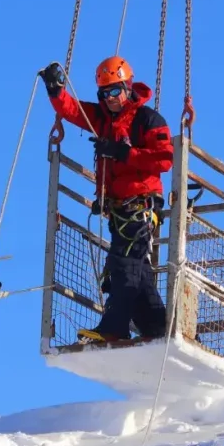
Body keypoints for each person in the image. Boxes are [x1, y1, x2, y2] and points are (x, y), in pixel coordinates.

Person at [39, 56, 173, 343]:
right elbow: (73, 110)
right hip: (118, 210)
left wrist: (123, 153)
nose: (109, 98)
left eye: (114, 91)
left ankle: (113, 328)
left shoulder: (147, 120)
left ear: (127, 87)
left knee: (124, 266)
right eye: (104, 93)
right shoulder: (103, 119)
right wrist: (55, 90)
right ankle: (159, 328)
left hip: (140, 205)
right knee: (134, 268)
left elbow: (164, 160)